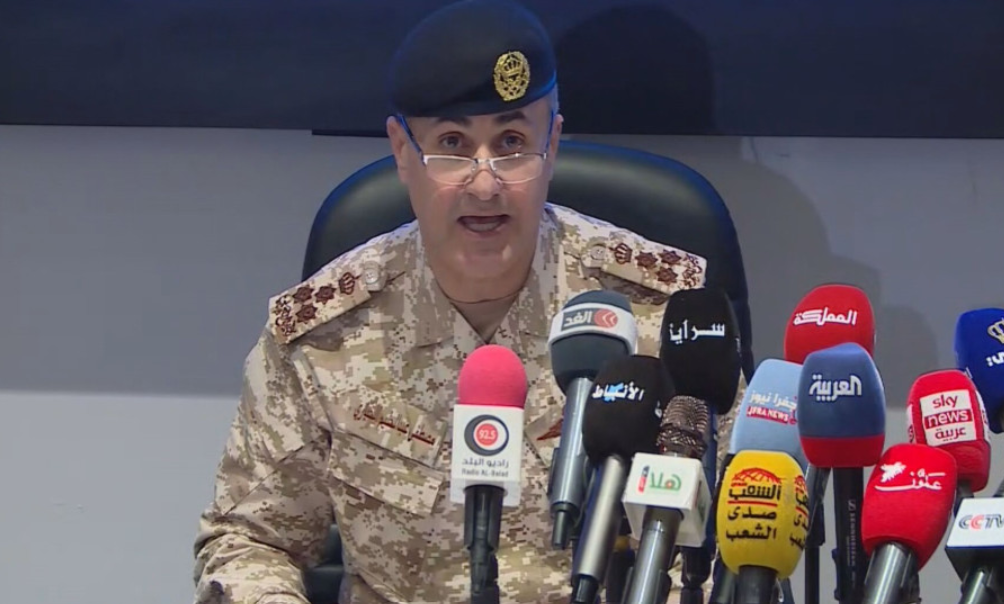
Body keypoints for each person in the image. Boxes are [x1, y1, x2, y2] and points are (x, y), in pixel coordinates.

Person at [192, 1, 739, 603]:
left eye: (512, 142)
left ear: (552, 145)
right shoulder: (324, 335)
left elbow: (731, 538)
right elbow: (250, 540)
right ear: (402, 151)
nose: (484, 183)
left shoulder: (664, 317)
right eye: (452, 144)